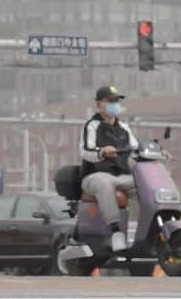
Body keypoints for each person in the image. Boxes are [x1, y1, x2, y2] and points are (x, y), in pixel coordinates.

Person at [80, 85, 139, 253]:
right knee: (105, 183)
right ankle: (116, 232)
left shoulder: (124, 128)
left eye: (117, 101)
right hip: (95, 176)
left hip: (122, 176)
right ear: (99, 104)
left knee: (146, 185)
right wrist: (102, 152)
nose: (115, 104)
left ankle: (149, 231)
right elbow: (85, 151)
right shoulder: (92, 126)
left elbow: (136, 148)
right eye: (111, 100)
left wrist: (157, 150)